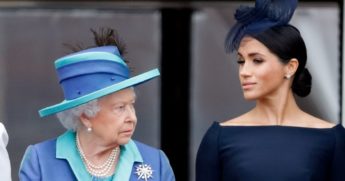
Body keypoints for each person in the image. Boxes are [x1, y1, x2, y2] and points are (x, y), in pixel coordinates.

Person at [196, 0, 345, 180]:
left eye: (257, 60)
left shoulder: (331, 138)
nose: (244, 72)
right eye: (241, 61)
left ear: (290, 67)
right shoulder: (219, 138)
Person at [19, 28, 175, 181]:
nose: (132, 118)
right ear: (86, 115)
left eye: (132, 105)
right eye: (120, 108)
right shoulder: (40, 161)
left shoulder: (157, 163)